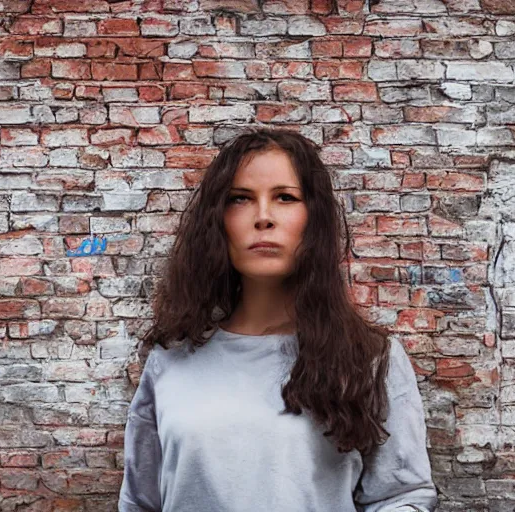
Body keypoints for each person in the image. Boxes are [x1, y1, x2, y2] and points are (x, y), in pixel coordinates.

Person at [117, 128, 438, 512]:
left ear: (313, 218)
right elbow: (140, 503)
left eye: (285, 197)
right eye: (240, 199)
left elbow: (402, 497)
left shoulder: (368, 359)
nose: (263, 217)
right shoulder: (170, 361)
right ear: (218, 220)